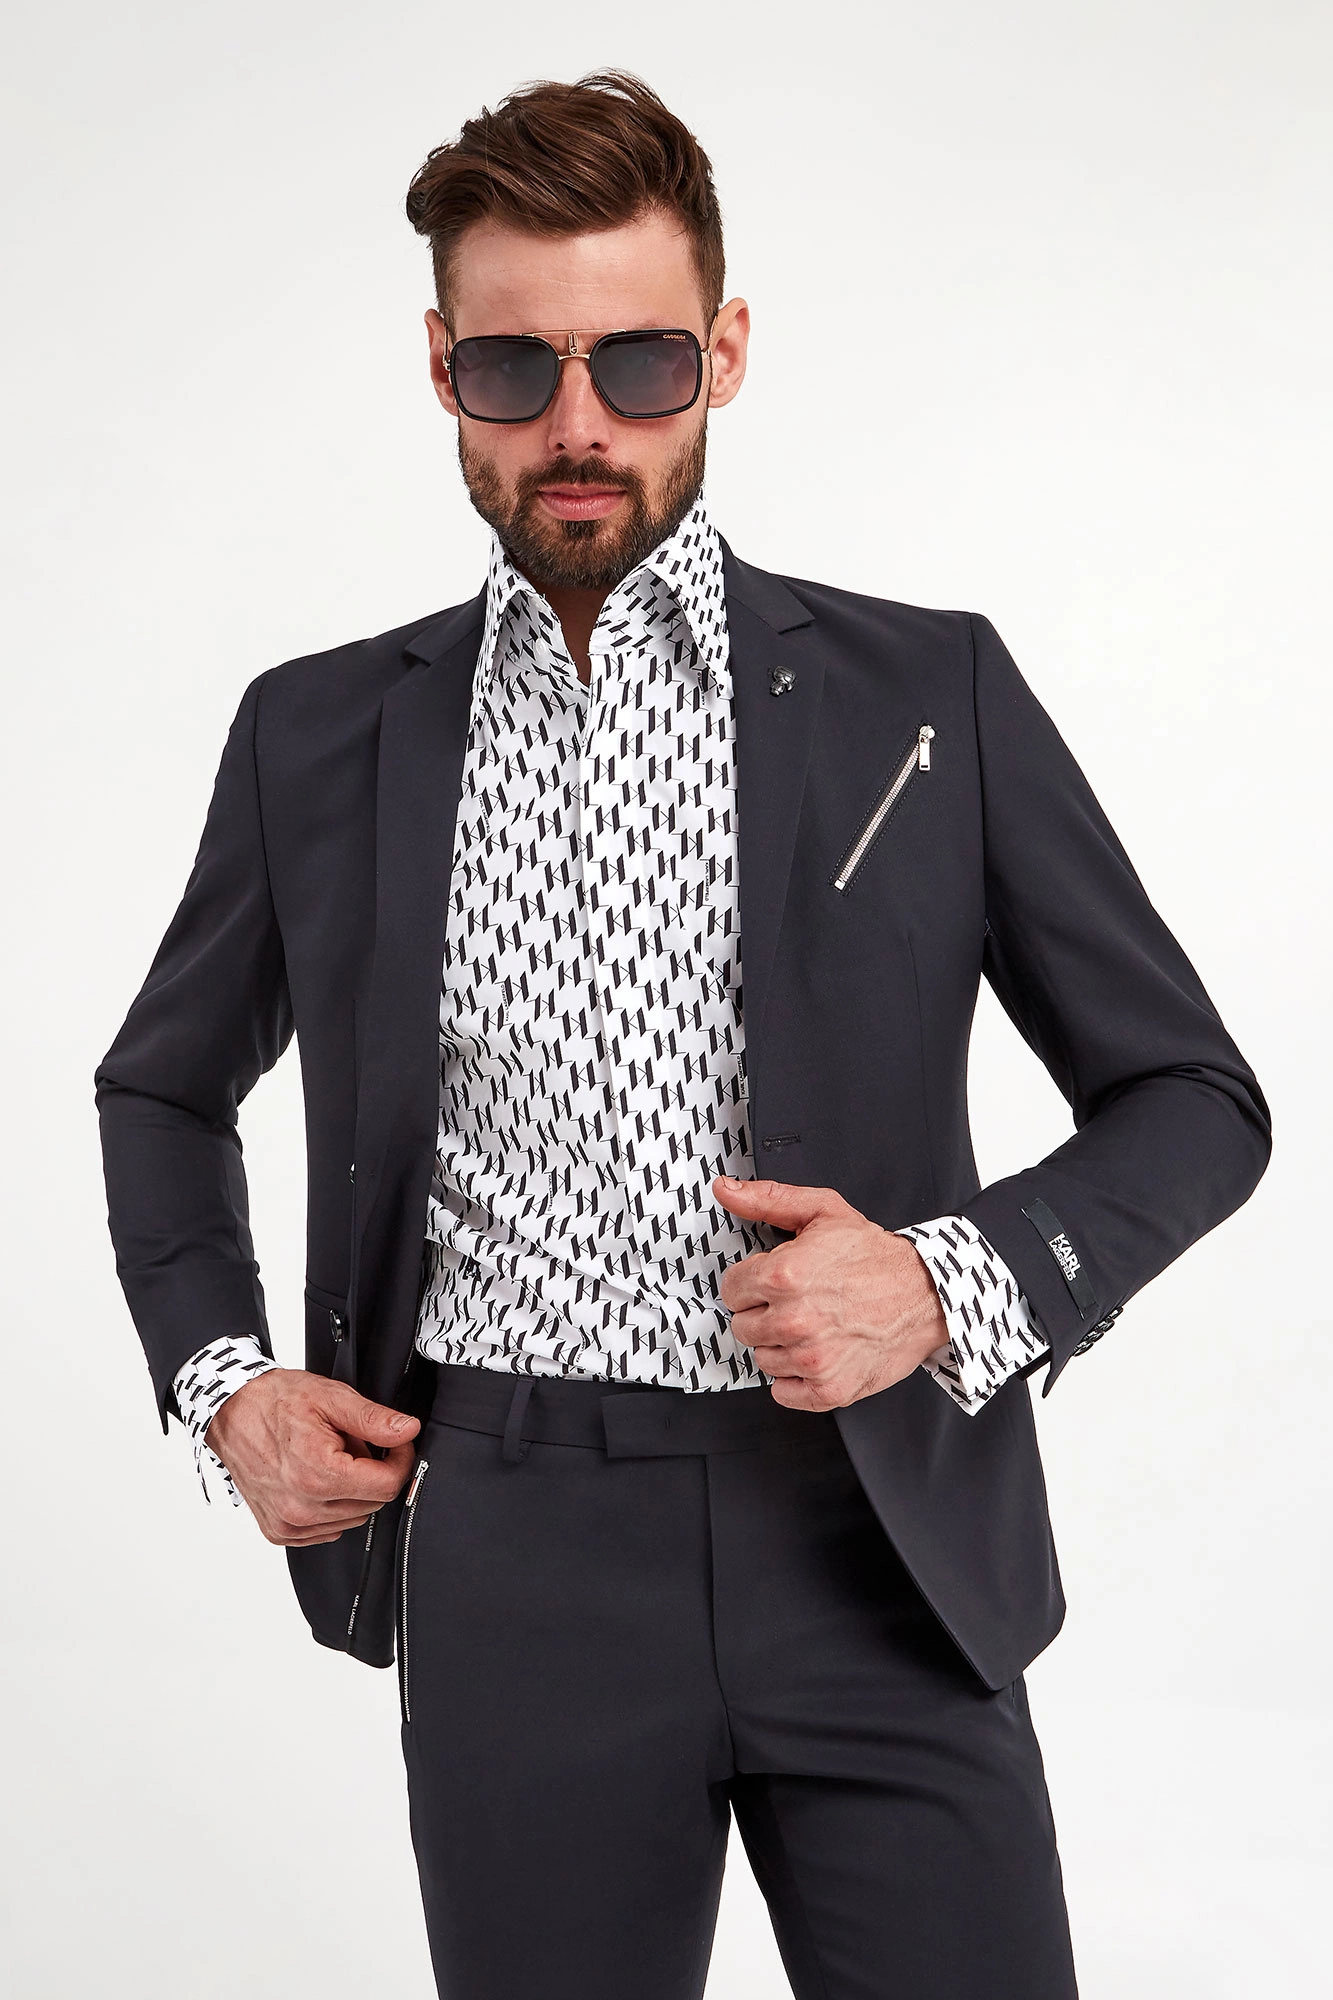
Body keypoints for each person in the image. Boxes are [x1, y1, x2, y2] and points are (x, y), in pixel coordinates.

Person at [95, 67, 1271, 2000]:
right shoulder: (316, 733)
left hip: (879, 1540)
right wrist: (225, 1385)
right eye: (514, 368)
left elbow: (1194, 1098)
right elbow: (160, 1086)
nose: (579, 427)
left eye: (638, 363)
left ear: (721, 353)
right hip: (515, 1551)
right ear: (441, 368)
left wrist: (953, 1282)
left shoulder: (929, 693)